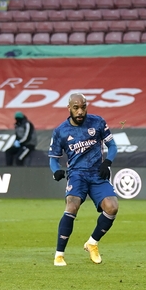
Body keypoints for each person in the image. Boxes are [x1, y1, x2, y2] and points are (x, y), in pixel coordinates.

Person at [48, 93, 118, 266]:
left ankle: (92, 243)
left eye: (83, 107)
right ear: (69, 108)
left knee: (112, 207)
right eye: (76, 108)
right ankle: (59, 255)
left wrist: (107, 162)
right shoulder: (60, 131)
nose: (80, 111)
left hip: (97, 173)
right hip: (77, 174)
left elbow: (112, 146)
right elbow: (53, 158)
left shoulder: (98, 122)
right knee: (72, 206)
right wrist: (56, 170)